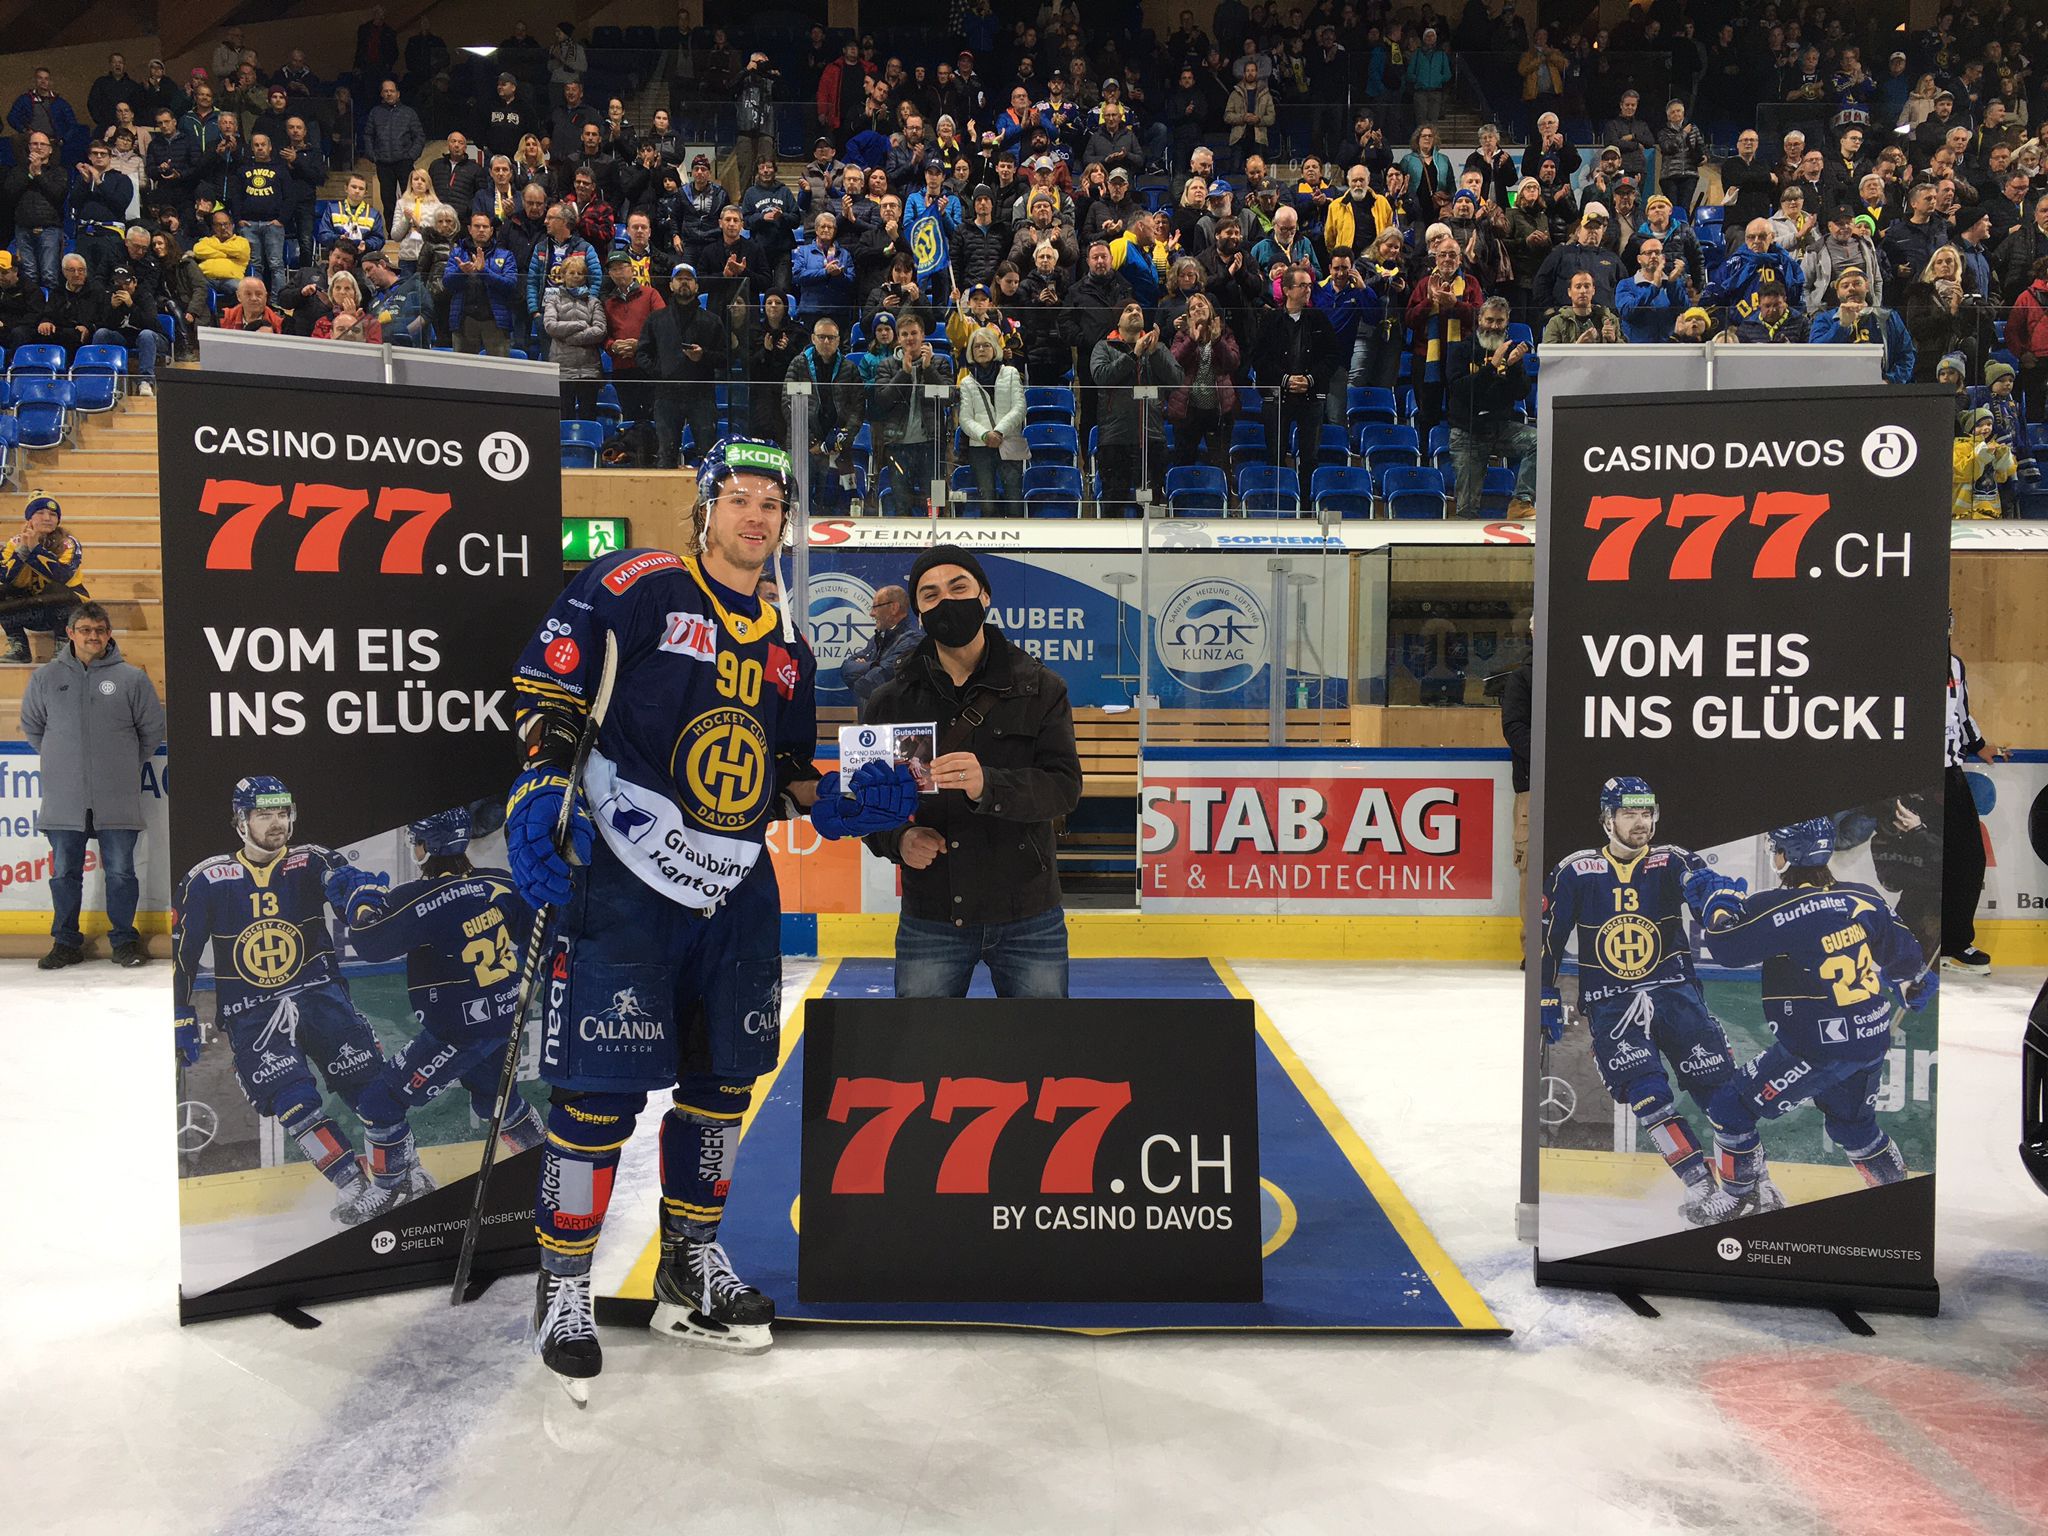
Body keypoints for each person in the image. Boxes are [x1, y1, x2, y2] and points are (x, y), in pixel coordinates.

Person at [508, 439, 916, 1397]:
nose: (759, 517)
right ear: (705, 507)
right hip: (626, 882)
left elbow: (788, 775)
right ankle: (564, 1282)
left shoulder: (789, 646)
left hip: (734, 890)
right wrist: (536, 789)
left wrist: (848, 803)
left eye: (774, 503)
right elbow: (550, 694)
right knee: (597, 1095)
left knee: (723, 1088)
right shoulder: (634, 585)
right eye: (741, 498)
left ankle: (689, 1258)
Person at [173, 776, 420, 1226]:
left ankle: (409, 1177)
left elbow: (342, 882)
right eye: (264, 814)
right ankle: (362, 1190)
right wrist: (179, 1011)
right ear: (240, 820)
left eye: (283, 812)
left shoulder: (312, 860)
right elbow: (182, 953)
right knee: (295, 1108)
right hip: (252, 1013)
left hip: (321, 996)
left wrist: (360, 896)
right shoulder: (207, 878)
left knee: (372, 1094)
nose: (277, 823)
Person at [860, 546, 1082, 999]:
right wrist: (897, 841)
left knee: (1044, 1056)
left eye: (958, 587)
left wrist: (990, 785)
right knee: (920, 1056)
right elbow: (865, 802)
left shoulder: (1040, 688)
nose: (946, 601)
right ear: (918, 614)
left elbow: (1063, 788)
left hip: (1028, 915)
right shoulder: (891, 701)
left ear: (984, 596)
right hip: (931, 916)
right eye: (930, 594)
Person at [1686, 820, 1933, 1215]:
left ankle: (1739, 1200)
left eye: (1775, 849)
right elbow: (1905, 959)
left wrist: (1715, 904)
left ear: (1786, 856)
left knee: (1730, 1108)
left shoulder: (1776, 907)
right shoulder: (1862, 896)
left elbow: (1728, 949)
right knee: (1853, 1128)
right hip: (1870, 1039)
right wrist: (1909, 984)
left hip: (1817, 1048)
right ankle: (1899, 1203)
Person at [1542, 777, 1745, 1226]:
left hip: (1675, 992)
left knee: (1721, 1095)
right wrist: (1544, 992)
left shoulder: (1670, 859)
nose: (1641, 822)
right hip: (1612, 1004)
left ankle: (1755, 1184)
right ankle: (1701, 1186)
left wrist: (1717, 900)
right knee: (1650, 1100)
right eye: (1630, 813)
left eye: (1647, 812)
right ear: (1607, 818)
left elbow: (1701, 881)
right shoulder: (1576, 870)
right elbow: (1548, 937)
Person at [329, 807, 546, 1169]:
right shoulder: (499, 881)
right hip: (504, 1017)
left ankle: (394, 1190)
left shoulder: (417, 898)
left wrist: (358, 902)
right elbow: (538, 936)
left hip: (458, 1031)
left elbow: (370, 944)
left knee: (378, 1105)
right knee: (494, 1099)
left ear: (425, 847)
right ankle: (540, 1159)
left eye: (416, 842)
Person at [17, 601, 162, 967]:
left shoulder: (132, 678)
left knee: (121, 873)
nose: (92, 636)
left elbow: (151, 732)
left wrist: (121, 764)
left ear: (109, 634)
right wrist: (65, 760)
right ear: (70, 633)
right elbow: (34, 728)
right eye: (85, 630)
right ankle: (65, 943)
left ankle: (125, 942)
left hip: (116, 798)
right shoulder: (46, 677)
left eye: (99, 630)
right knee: (64, 874)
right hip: (65, 800)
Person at [1446, 297, 1537, 518]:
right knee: (1466, 509)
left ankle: (1521, 502)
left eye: (1499, 321)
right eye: (1489, 320)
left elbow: (1521, 393)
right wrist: (1492, 366)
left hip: (1499, 428)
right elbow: (1459, 390)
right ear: (1479, 319)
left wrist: (1514, 368)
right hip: (1467, 431)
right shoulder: (1462, 349)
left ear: (1507, 322)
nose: (1494, 326)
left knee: (1541, 440)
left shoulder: (1511, 351)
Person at [1092, 300, 1184, 512]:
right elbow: (1102, 377)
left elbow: (1176, 380)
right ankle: (1114, 546)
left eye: (1139, 310)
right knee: (1114, 503)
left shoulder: (1158, 348)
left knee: (1153, 505)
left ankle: (1153, 546)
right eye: (1128, 310)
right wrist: (1134, 354)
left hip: (1151, 436)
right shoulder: (1104, 347)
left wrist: (1153, 353)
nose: (1135, 312)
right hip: (1115, 438)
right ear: (1118, 320)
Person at [642, 262, 727, 469]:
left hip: (701, 395)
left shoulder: (712, 320)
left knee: (708, 455)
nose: (684, 283)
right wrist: (660, 371)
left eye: (689, 279)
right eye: (679, 279)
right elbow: (642, 353)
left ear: (697, 286)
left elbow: (725, 357)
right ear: (671, 285)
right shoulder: (656, 319)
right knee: (666, 454)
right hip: (666, 395)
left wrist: (703, 356)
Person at [2, 495, 87, 663]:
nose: (47, 518)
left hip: (70, 611)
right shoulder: (14, 543)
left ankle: (64, 647)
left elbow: (62, 575)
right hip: (35, 610)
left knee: (55, 589)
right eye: (40, 512)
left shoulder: (68, 543)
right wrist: (23, 551)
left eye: (53, 514)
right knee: (3, 592)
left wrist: (36, 550)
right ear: (29, 519)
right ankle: (19, 648)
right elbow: (5, 576)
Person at [955, 324, 1026, 514]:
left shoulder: (1010, 373)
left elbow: (1020, 407)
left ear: (995, 347)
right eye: (976, 346)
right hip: (981, 446)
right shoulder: (966, 381)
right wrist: (986, 435)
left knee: (1014, 499)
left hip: (1009, 441)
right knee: (987, 500)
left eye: (985, 345)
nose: (981, 349)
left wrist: (999, 431)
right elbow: (965, 418)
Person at [839, 586, 923, 704]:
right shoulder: (876, 640)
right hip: (871, 720)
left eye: (875, 607)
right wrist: (873, 666)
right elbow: (846, 669)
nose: (871, 613)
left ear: (894, 608)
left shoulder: (912, 641)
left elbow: (869, 685)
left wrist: (863, 669)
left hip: (895, 720)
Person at [363, 78, 425, 226]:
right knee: (388, 202)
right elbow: (367, 135)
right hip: (383, 163)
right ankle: (392, 234)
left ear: (398, 93)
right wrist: (373, 156)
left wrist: (411, 156)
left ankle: (411, 229)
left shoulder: (409, 113)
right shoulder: (375, 112)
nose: (389, 94)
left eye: (392, 91)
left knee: (409, 199)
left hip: (404, 162)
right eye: (386, 91)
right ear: (381, 94)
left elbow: (419, 136)